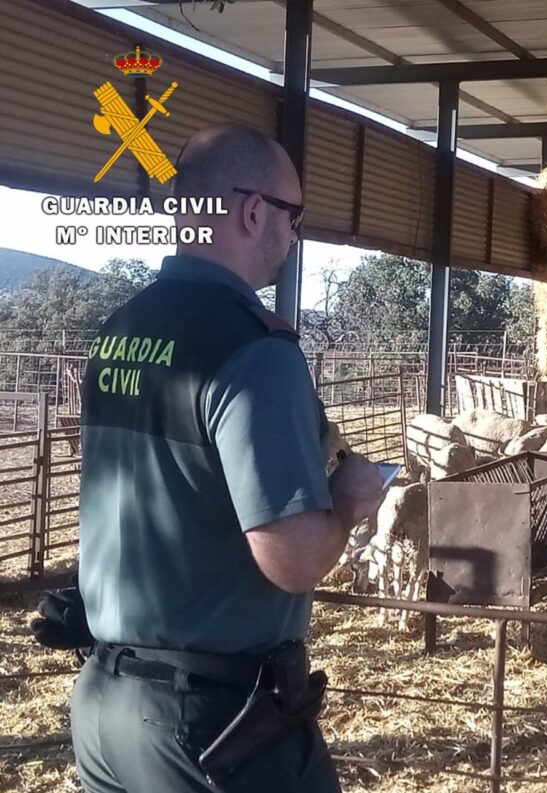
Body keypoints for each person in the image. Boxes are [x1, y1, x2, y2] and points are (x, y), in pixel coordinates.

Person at [67, 124, 384, 793]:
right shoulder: (254, 353)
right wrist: (351, 501)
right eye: (293, 215)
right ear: (251, 211)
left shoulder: (120, 332)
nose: (294, 236)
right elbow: (292, 559)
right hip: (214, 723)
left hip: (103, 708)